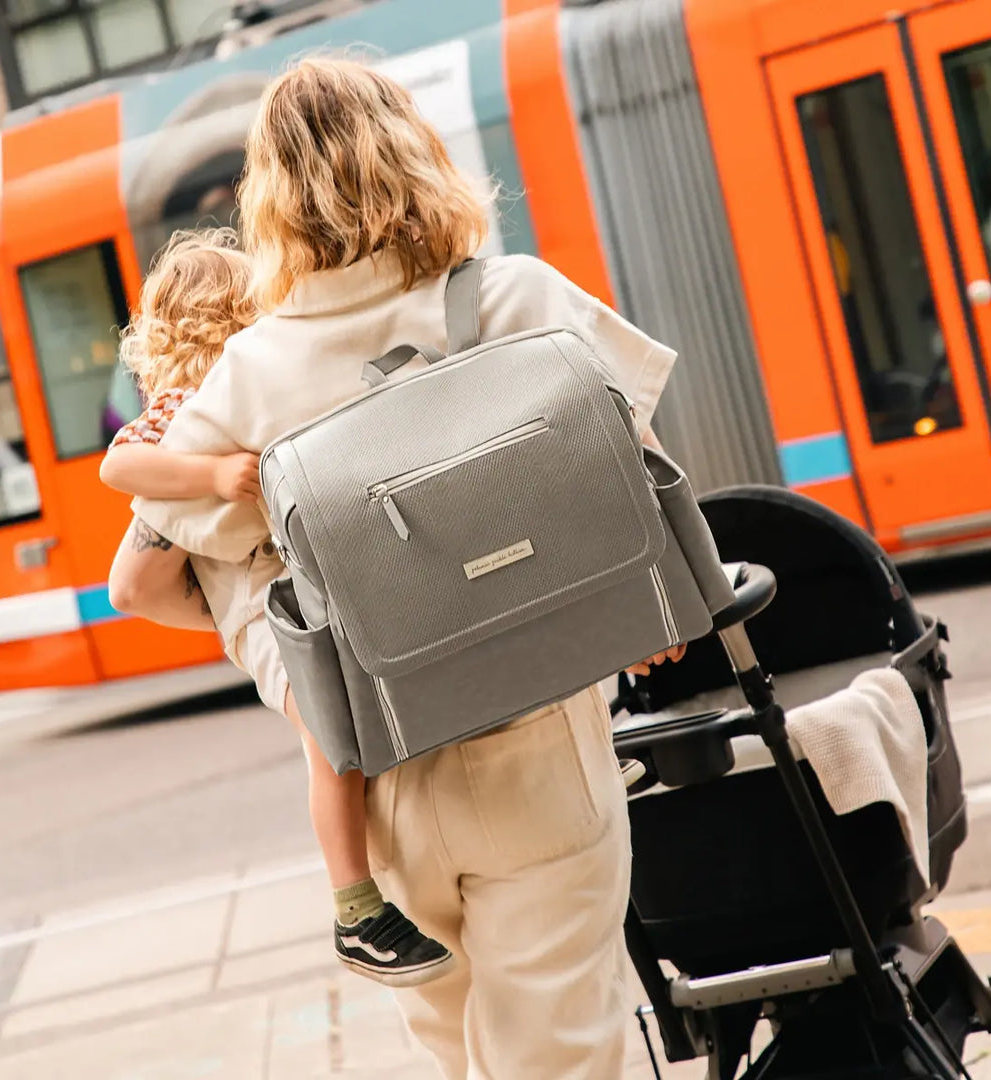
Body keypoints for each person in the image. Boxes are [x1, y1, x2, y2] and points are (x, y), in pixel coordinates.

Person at [109, 58, 682, 1078]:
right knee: (561, 1049)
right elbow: (635, 473)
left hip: (383, 771)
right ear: (413, 150)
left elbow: (153, 574)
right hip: (541, 743)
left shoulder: (252, 372)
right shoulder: (518, 298)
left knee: (448, 1052)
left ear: (272, 200)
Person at [102, 227, 456, 988]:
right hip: (263, 606)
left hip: (293, 592)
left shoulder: (245, 387)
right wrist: (214, 473)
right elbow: (118, 463)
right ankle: (355, 907)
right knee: (329, 738)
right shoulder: (183, 405)